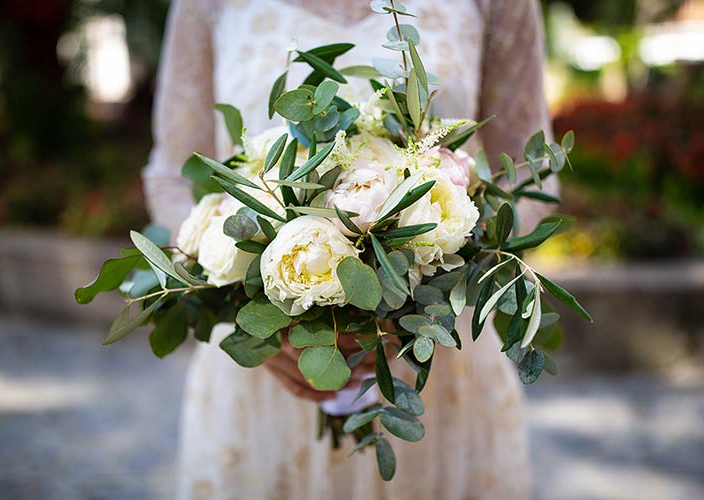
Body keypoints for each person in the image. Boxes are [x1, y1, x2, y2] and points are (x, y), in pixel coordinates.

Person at [143, 1, 557, 498]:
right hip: (265, 376)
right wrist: (255, 317)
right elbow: (172, 176)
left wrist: (438, 286)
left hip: (434, 363)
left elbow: (533, 173)